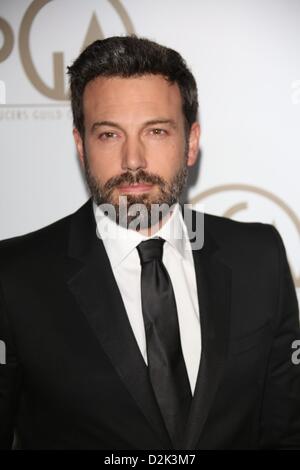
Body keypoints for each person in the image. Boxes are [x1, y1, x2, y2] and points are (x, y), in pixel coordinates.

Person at [0, 35, 299, 451]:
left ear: (191, 142)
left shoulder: (259, 256)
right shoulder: (13, 278)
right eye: (109, 135)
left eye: (156, 131)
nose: (134, 160)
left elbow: (285, 431)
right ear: (80, 146)